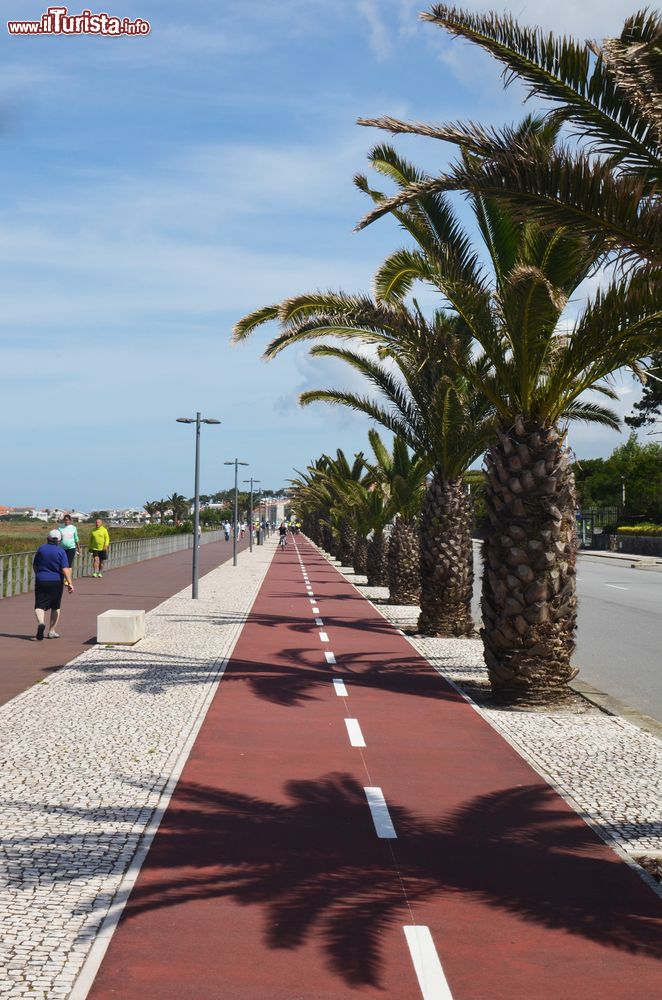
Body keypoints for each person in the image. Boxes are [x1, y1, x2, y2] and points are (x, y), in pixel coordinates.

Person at [33, 528, 74, 639]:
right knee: (55, 607)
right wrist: (69, 582)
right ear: (59, 540)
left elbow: (35, 565)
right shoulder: (61, 551)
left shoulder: (41, 549)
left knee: (39, 605)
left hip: (41, 579)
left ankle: (41, 622)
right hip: (56, 581)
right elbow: (65, 568)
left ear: (48, 539)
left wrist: (39, 574)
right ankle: (52, 631)